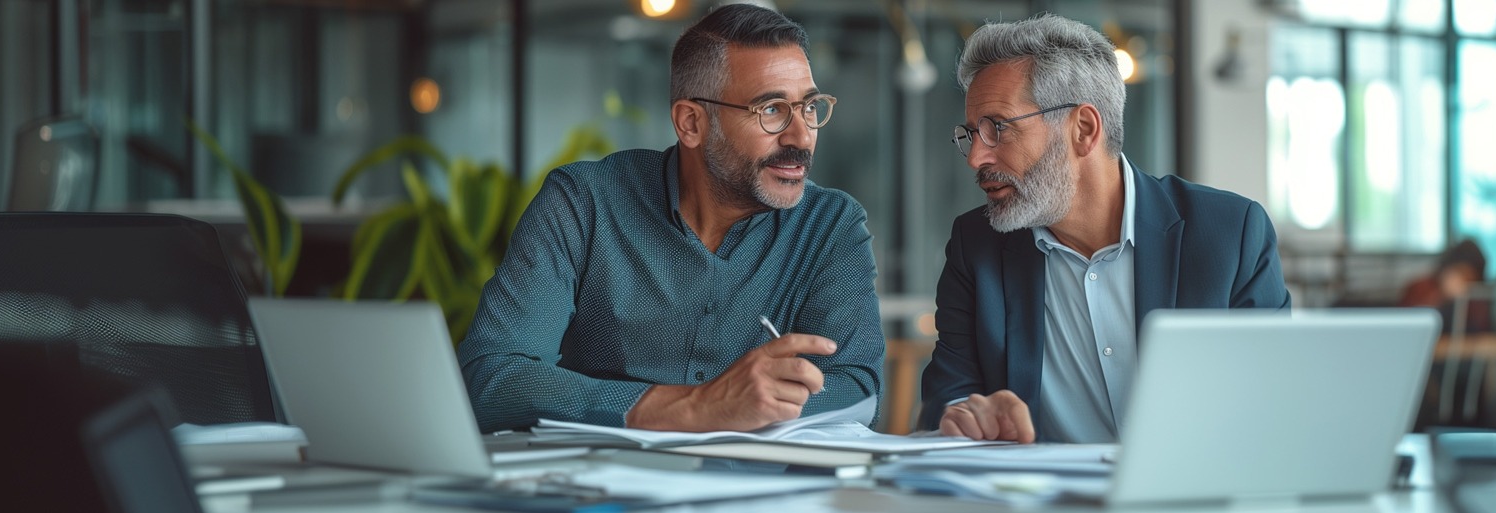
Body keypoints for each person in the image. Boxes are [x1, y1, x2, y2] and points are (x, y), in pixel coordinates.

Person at [456, 4, 882, 433]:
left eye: (809, 107)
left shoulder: (831, 226)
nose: (802, 135)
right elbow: (491, 377)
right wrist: (688, 408)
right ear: (691, 122)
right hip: (603, 483)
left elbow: (857, 387)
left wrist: (748, 406)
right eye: (771, 109)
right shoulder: (584, 203)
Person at [918, 14, 1291, 444]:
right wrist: (967, 415)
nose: (975, 157)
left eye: (997, 129)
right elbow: (947, 398)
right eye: (971, 134)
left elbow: (1273, 407)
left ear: (1083, 130)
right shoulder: (976, 246)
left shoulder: (1230, 234)